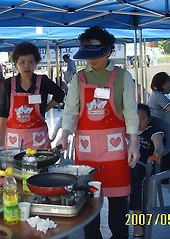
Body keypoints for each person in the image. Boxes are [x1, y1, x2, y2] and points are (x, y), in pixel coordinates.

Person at [57, 26, 140, 239]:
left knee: (118, 201)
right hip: (86, 151)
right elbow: (71, 111)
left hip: (115, 151)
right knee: (88, 202)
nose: (91, 61)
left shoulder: (122, 76)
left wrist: (134, 143)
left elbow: (131, 112)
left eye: (96, 55)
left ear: (109, 51)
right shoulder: (79, 78)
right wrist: (65, 135)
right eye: (87, 55)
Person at [0, 41, 65, 151]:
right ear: (15, 63)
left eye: (31, 62)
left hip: (39, 140)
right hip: (14, 141)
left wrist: (44, 109)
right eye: (22, 62)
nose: (27, 66)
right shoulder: (8, 84)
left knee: (41, 166)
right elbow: (3, 112)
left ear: (36, 63)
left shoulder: (43, 81)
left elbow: (60, 94)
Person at [130, 103, 164, 237]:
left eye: (142, 118)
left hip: (142, 165)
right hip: (125, 164)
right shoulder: (128, 132)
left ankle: (137, 225)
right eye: (135, 118)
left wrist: (158, 152)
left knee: (134, 181)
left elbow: (159, 144)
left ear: (149, 119)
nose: (138, 121)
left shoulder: (152, 131)